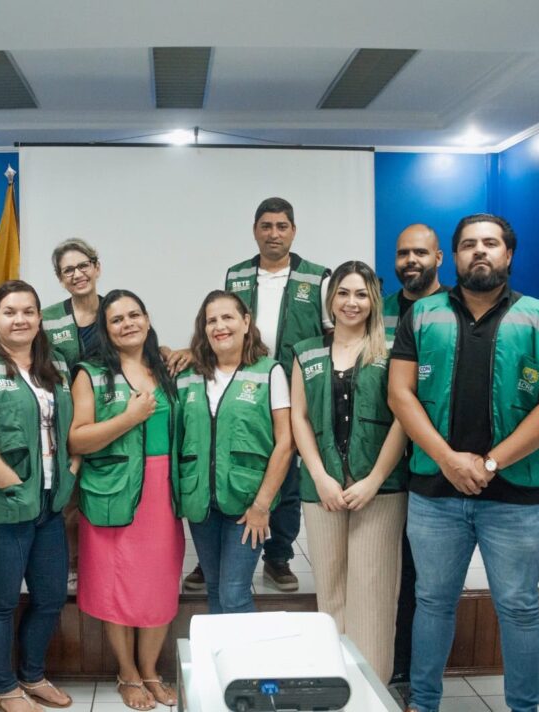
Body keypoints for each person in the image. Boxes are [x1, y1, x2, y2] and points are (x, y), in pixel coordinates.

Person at [388, 214, 539, 712]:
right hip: (434, 493)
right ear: (454, 258)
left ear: (508, 255)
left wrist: (489, 464)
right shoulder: (422, 316)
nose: (480, 252)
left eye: (490, 244)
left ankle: (524, 707)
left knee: (518, 607)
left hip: (513, 497)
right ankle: (423, 703)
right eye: (469, 244)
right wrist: (449, 460)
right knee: (432, 603)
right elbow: (400, 395)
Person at [183, 197, 330, 593]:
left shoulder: (317, 278)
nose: (274, 233)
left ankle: (278, 556)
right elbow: (220, 319)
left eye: (282, 226)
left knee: (287, 477)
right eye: (266, 226)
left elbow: (329, 336)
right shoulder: (237, 275)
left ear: (293, 231)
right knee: (225, 460)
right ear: (255, 231)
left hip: (291, 386)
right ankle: (215, 557)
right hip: (242, 378)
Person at [0, 280, 76, 712]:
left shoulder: (53, 365)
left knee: (50, 597)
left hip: (48, 505)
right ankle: (5, 689)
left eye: (28, 311)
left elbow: (66, 430)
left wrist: (70, 473)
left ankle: (33, 675)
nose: (20, 319)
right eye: (9, 312)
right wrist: (13, 485)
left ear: (40, 319)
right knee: (1, 601)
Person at [290, 260, 409, 683]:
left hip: (381, 490)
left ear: (373, 301)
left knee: (373, 594)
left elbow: (403, 417)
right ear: (331, 298)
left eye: (361, 294)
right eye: (343, 293)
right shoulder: (306, 351)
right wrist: (320, 476)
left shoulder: (392, 348)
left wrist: (374, 479)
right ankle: (337, 684)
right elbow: (299, 417)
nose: (351, 302)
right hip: (321, 490)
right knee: (332, 592)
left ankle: (372, 691)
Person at [69, 290, 184, 710]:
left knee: (158, 582)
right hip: (112, 487)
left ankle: (150, 669)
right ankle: (127, 672)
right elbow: (77, 437)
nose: (127, 324)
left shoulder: (166, 367)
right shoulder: (91, 373)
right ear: (105, 328)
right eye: (116, 319)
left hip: (161, 489)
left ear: (148, 319)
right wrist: (128, 419)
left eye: (134, 315)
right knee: (115, 583)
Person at [176, 290, 293, 614]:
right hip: (201, 503)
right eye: (211, 320)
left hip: (247, 506)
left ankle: (249, 667)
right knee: (214, 590)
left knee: (234, 592)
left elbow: (285, 443)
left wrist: (262, 505)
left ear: (245, 322)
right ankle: (221, 665)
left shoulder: (270, 372)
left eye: (227, 317)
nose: (219, 326)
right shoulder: (188, 377)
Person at [383, 223, 448, 689]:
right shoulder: (377, 312)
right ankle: (381, 657)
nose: (411, 261)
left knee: (420, 575)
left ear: (438, 258)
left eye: (420, 253)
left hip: (432, 464)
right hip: (383, 462)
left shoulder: (453, 310)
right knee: (385, 568)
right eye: (404, 253)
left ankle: (408, 669)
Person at [42, 238, 105, 593]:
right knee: (68, 497)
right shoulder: (48, 318)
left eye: (84, 265)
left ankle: (100, 564)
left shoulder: (116, 307)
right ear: (60, 277)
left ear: (97, 267)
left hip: (110, 416)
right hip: (64, 420)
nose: (78, 274)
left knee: (103, 494)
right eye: (69, 270)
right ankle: (71, 567)